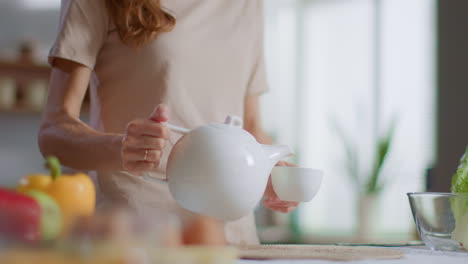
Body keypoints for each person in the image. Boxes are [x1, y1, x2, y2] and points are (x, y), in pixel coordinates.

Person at [39, 0, 298, 245]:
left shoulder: (246, 4)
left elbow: (251, 127)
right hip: (139, 237)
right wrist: (121, 148)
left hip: (233, 242)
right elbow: (53, 131)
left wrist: (274, 172)